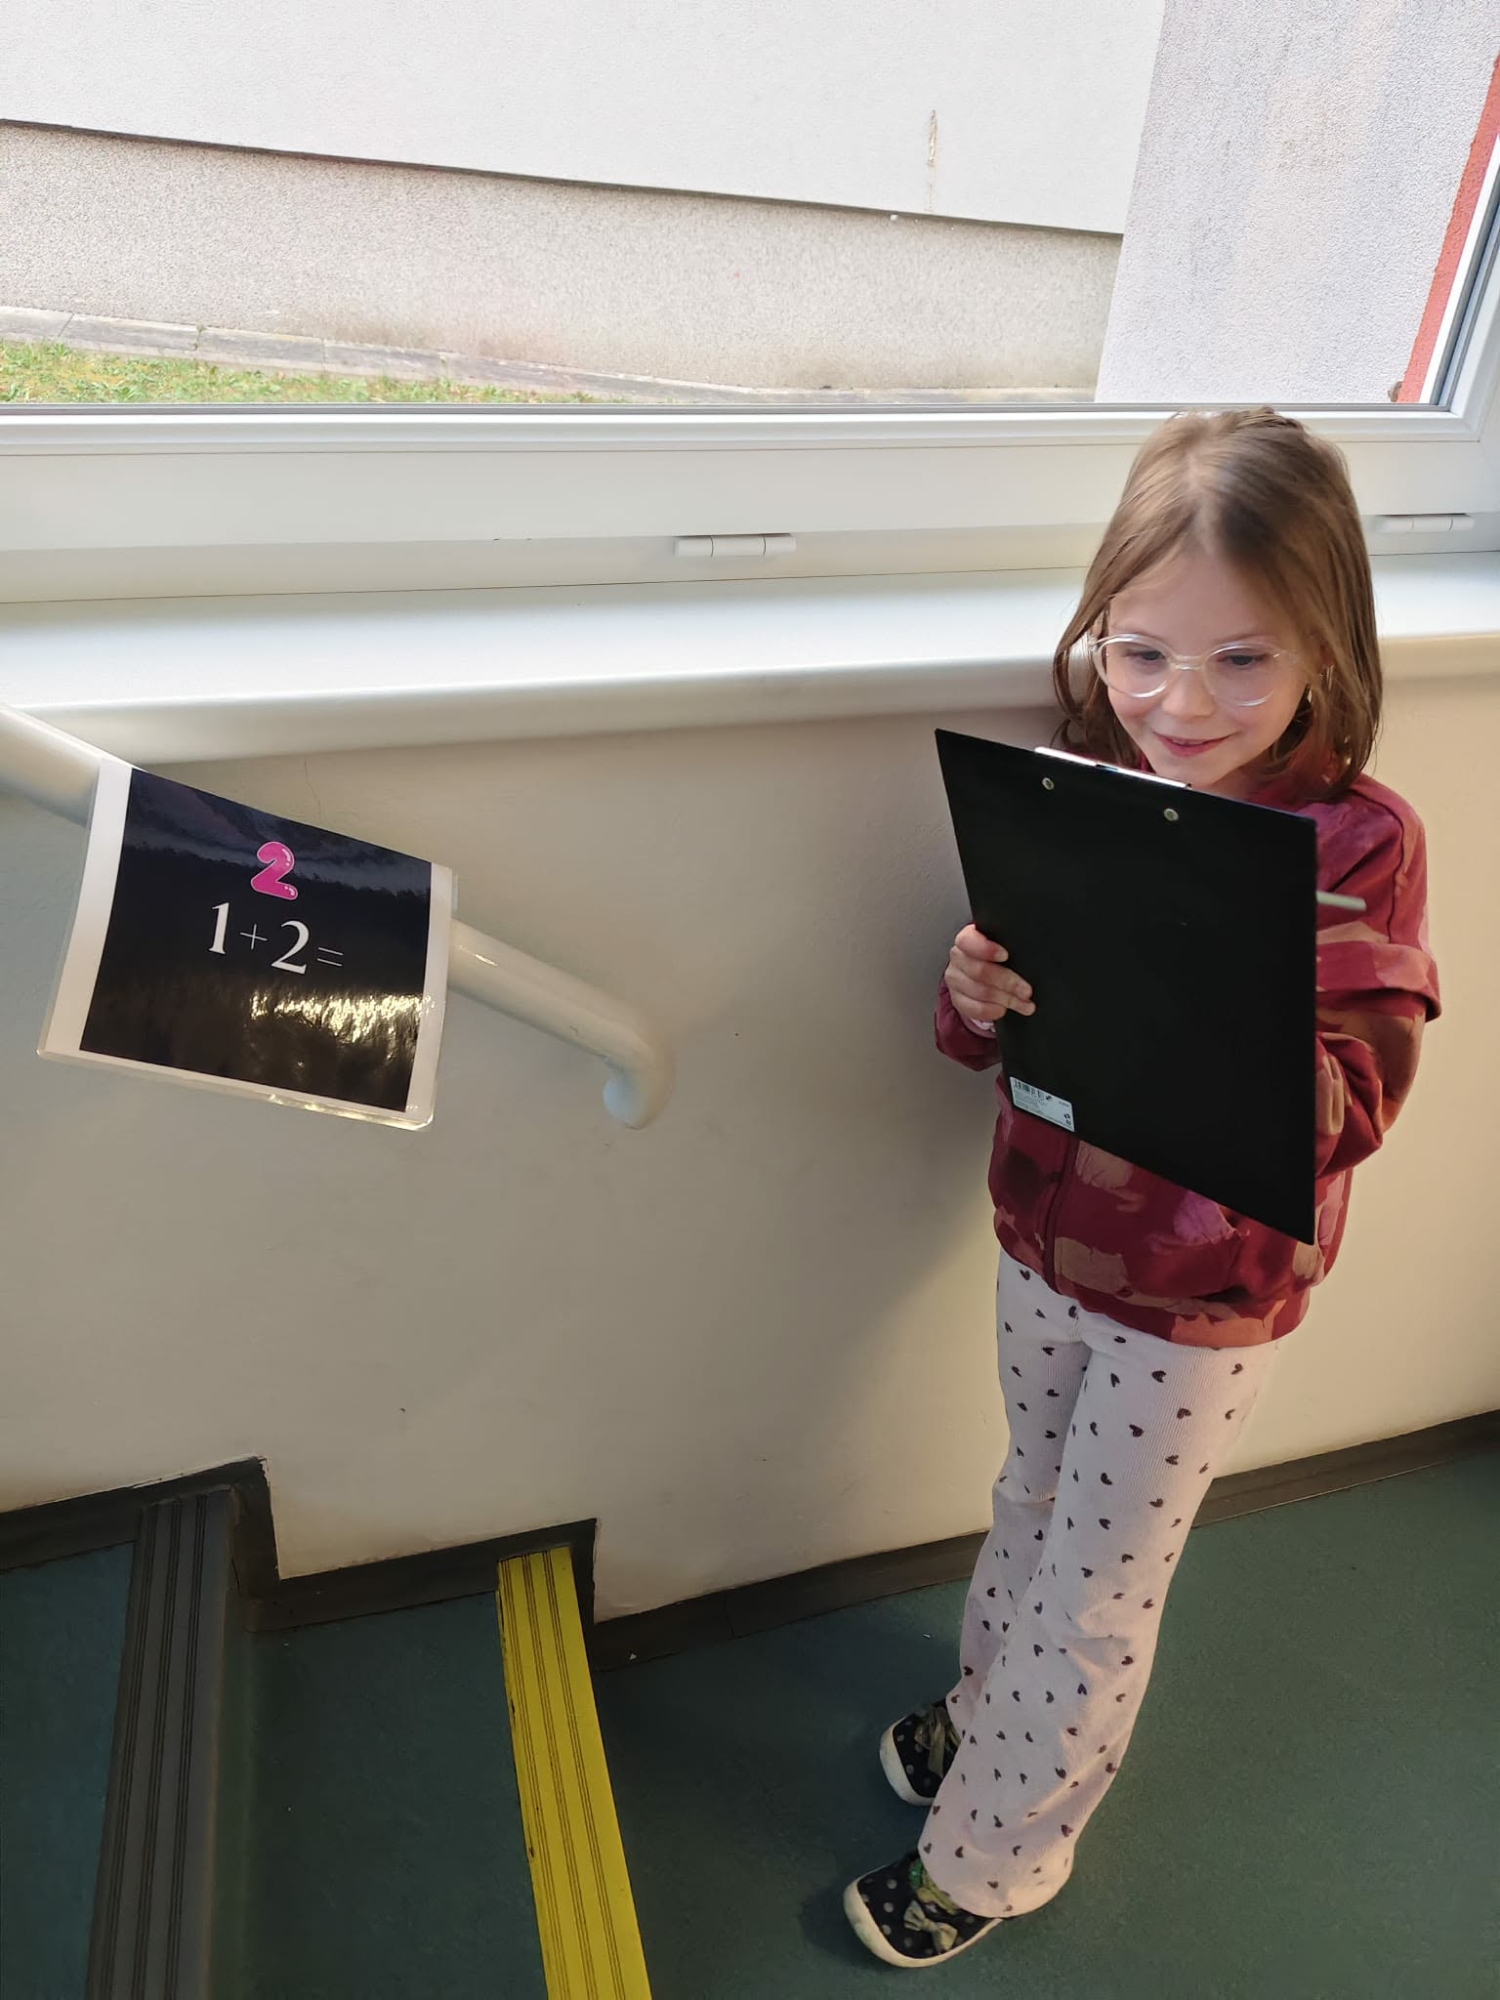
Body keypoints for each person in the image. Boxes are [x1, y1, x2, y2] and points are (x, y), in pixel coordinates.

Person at [843, 407, 1441, 1969]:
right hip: (1046, 1239)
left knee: (1103, 1583)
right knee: (1029, 1500)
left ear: (1324, 649)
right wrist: (977, 992)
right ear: (1099, 633)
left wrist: (1220, 994)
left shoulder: (1356, 844)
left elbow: (1359, 1099)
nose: (1183, 700)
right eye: (1144, 652)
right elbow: (994, 1036)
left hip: (1205, 1299)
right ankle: (988, 1711)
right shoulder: (1080, 789)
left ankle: (993, 1857)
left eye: (1243, 659)